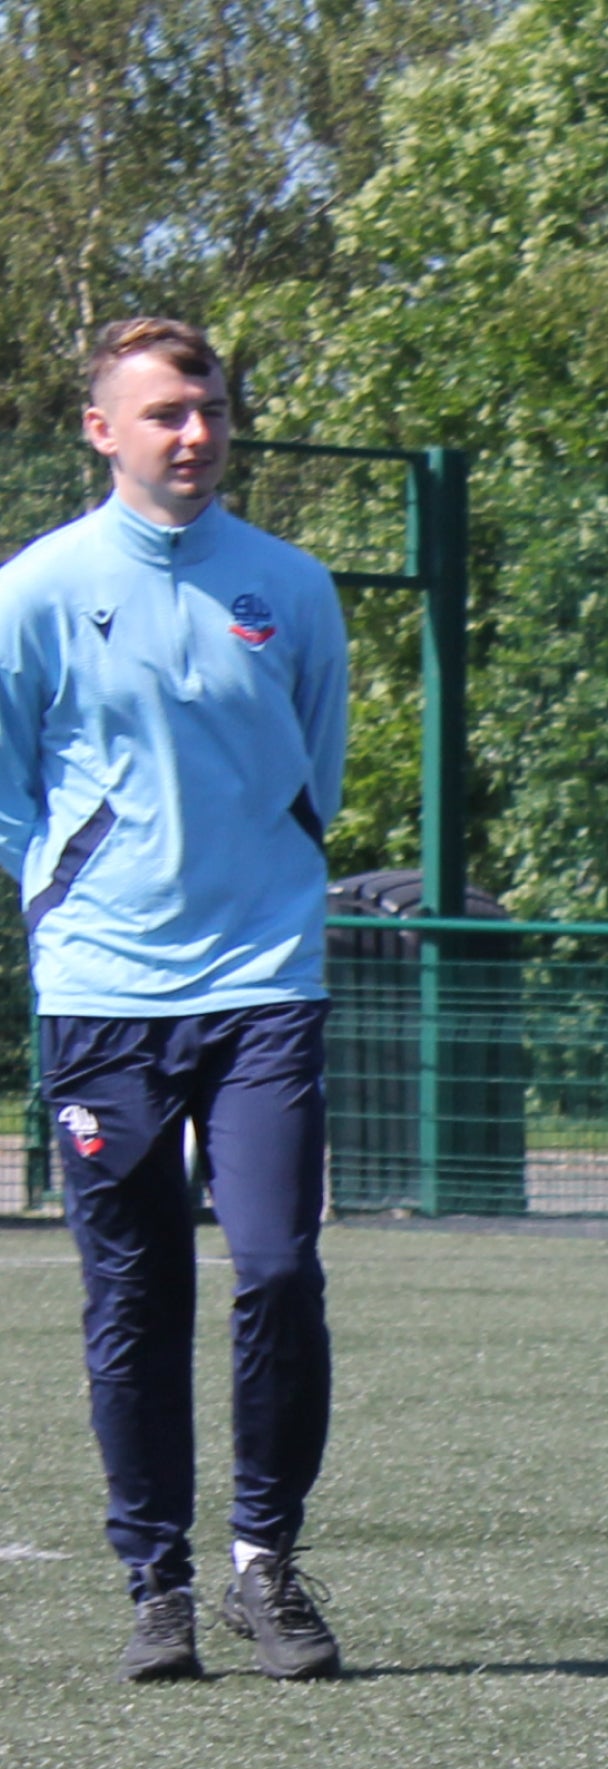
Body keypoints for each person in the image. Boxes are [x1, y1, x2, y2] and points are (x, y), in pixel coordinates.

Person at [0, 318, 347, 1681]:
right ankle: (158, 1583)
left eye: (209, 410)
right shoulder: (37, 589)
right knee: (134, 1294)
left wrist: (269, 879)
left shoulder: (290, 586)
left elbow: (314, 768)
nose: (195, 434)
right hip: (103, 993)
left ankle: (266, 1561)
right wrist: (63, 902)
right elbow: (9, 789)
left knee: (277, 1267)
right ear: (102, 431)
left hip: (263, 981)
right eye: (164, 414)